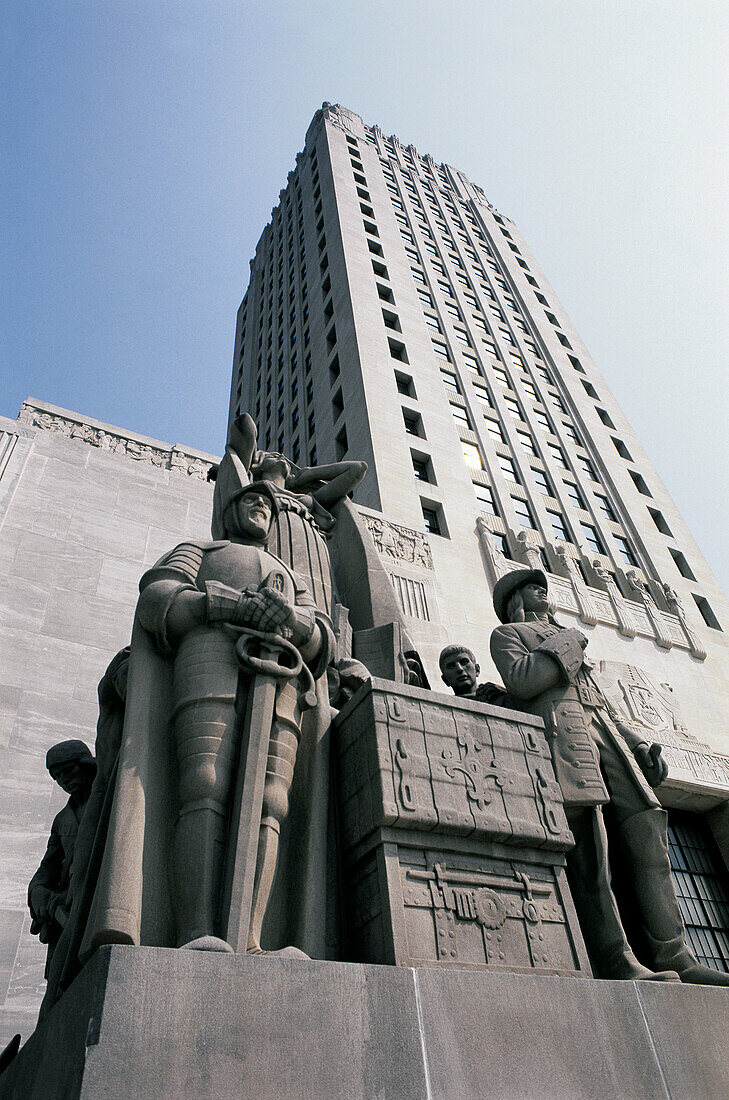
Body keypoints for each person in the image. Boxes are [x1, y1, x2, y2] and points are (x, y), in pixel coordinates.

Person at [489, 568, 729, 985]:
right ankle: (616, 958)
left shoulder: (567, 639)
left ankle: (676, 956)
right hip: (564, 738)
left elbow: (604, 704)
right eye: (532, 586)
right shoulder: (509, 635)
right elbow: (525, 681)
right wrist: (565, 641)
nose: (542, 590)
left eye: (543, 585)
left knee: (648, 841)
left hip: (606, 735)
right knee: (592, 854)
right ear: (516, 599)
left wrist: (637, 745)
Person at [28, 741, 97, 976]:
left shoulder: (106, 800)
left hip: (95, 898)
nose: (64, 780)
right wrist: (37, 892)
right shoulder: (62, 819)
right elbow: (47, 866)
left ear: (86, 765)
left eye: (68, 770)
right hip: (65, 909)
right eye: (57, 776)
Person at [439, 644, 512, 705]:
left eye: (464, 662)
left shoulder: (499, 697)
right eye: (451, 666)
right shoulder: (444, 707)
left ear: (477, 669)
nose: (459, 669)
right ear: (445, 680)